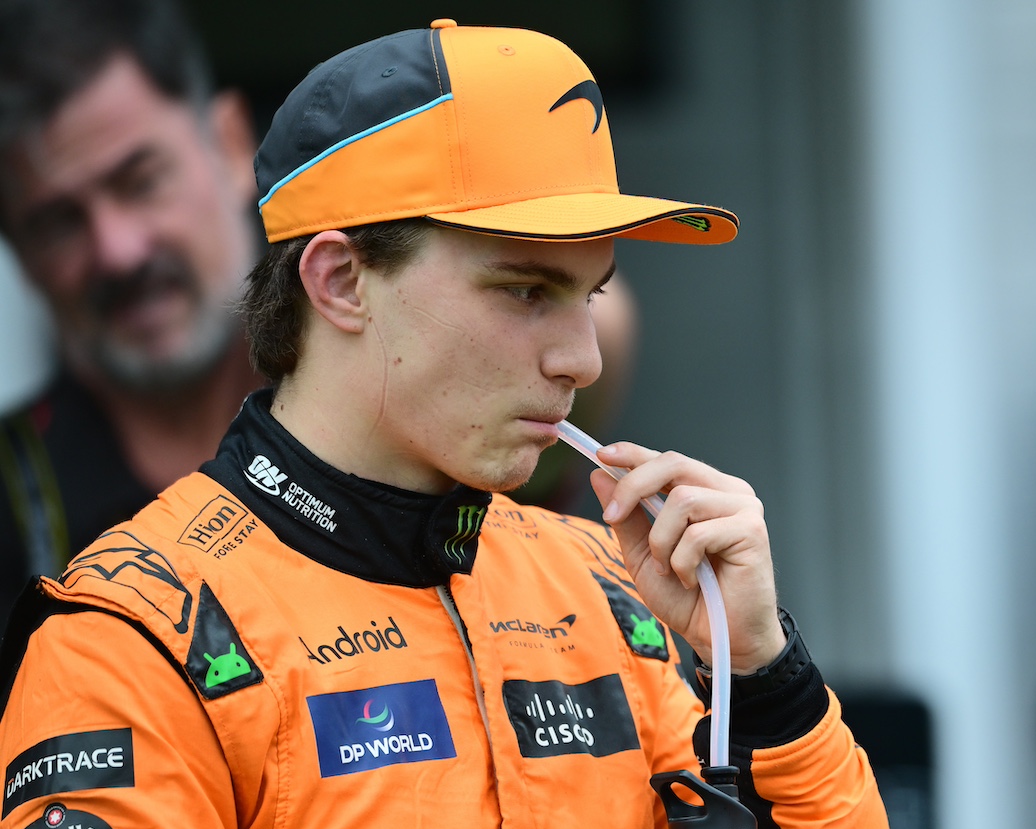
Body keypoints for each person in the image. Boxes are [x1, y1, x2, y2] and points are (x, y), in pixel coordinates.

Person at [0, 18, 907, 829]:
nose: (576, 356)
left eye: (590, 290)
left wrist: (766, 670)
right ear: (338, 281)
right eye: (525, 290)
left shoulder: (601, 591)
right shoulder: (132, 638)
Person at [0, 0, 639, 625]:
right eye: (57, 222)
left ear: (227, 142)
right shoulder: (22, 507)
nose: (119, 250)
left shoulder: (440, 366)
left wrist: (743, 670)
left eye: (141, 180)